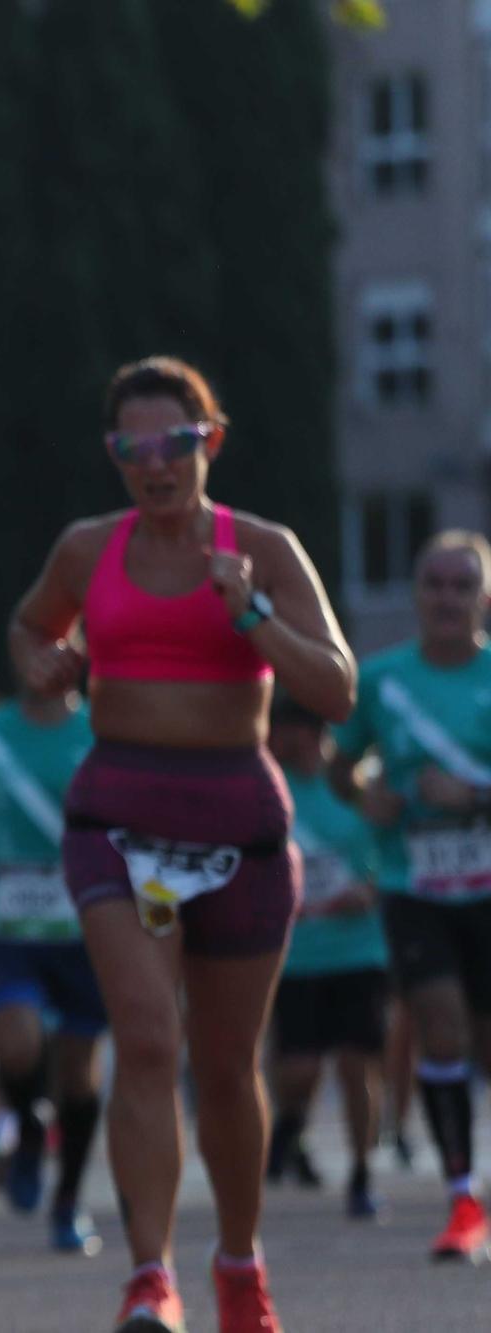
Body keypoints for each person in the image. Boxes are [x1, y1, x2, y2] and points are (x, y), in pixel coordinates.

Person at [9, 356, 355, 1333]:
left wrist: (246, 611)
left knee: (223, 1059)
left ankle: (237, 1264)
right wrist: (47, 662)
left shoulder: (260, 546)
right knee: (146, 1039)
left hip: (234, 822)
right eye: (131, 448)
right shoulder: (87, 547)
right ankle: (147, 1276)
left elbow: (334, 688)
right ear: (113, 456)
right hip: (116, 820)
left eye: (172, 444)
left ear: (209, 441)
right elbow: (29, 626)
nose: (152, 465)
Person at [328, 528, 491, 1262]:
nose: (447, 597)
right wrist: (368, 796)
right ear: (417, 594)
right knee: (441, 1025)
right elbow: (340, 763)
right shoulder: (383, 677)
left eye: (463, 584)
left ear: (484, 597)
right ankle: (462, 1198)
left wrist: (476, 792)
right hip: (413, 885)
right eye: (434, 583)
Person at [0, 683, 107, 1254]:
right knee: (16, 1044)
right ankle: (28, 1125)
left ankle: (67, 1200)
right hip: (8, 924)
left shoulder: (101, 728)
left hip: (84, 925)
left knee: (78, 1075)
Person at [264, 698, 389, 1220]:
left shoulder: (353, 793)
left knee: (358, 1064)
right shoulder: (269, 793)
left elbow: (390, 856)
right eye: (284, 736)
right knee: (299, 1070)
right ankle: (288, 1128)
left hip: (358, 951)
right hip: (296, 958)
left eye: (303, 735)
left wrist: (369, 888)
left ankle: (361, 1172)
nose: (294, 746)